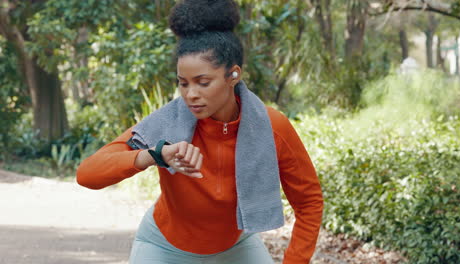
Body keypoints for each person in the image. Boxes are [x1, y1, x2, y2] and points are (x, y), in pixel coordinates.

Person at [76, 0, 323, 263]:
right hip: (164, 248)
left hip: (236, 247)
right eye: (183, 84)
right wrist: (153, 155)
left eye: (203, 82)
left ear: (233, 75)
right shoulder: (166, 123)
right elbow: (87, 174)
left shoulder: (271, 127)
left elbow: (309, 201)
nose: (191, 95)